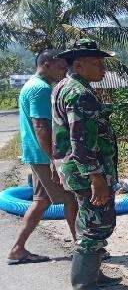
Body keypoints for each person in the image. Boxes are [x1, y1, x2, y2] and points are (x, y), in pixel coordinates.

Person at [52, 39, 123, 290]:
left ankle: (93, 276)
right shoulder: (80, 93)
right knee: (97, 225)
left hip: (75, 169)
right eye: (97, 63)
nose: (103, 68)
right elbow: (80, 139)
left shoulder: (63, 86)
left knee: (88, 222)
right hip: (88, 172)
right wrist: (96, 178)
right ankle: (84, 288)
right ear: (79, 65)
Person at [7, 49, 77, 265]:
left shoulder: (33, 85)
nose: (64, 72)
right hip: (44, 156)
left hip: (37, 154)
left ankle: (17, 249)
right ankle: (84, 250)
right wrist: (55, 159)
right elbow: (41, 126)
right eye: (61, 68)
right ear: (47, 65)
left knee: (41, 201)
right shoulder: (40, 89)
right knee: (72, 198)